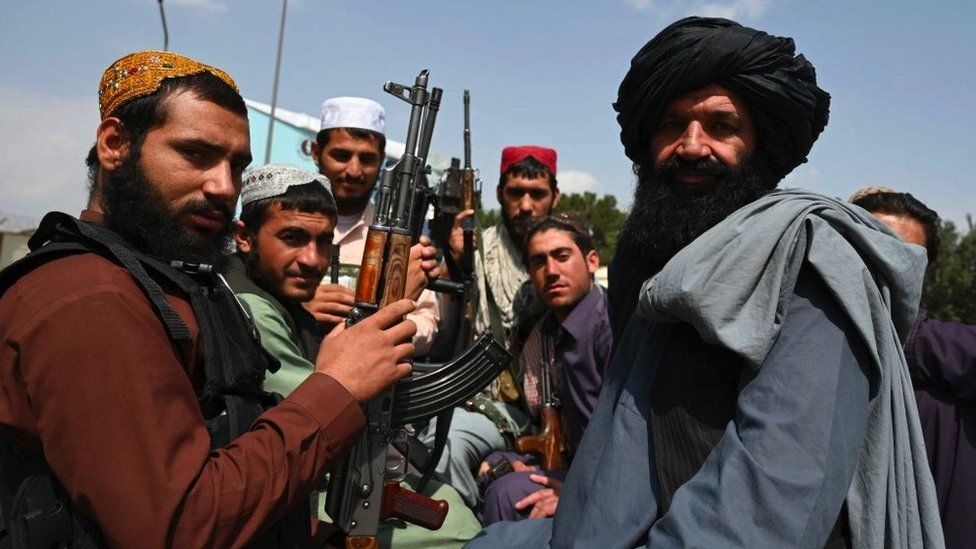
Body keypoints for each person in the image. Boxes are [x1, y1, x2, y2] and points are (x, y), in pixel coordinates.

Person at [470, 17, 943, 548]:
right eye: (672, 126)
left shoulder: (810, 265)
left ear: (758, 145)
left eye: (721, 127)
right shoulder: (647, 261)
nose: (692, 146)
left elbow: (762, 515)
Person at [0, 51, 416, 548]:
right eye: (195, 154)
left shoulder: (174, 281)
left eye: (236, 165)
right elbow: (179, 525)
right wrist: (335, 388)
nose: (223, 187)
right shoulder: (91, 299)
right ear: (115, 145)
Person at [223, 163, 482, 548]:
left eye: (324, 241)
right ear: (244, 237)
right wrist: (394, 301)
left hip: (311, 481)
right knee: (459, 530)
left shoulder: (275, 296)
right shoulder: (252, 307)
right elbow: (328, 404)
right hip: (298, 498)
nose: (312, 259)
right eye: (293, 238)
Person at [424, 146, 561, 508]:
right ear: (500, 194)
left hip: (553, 406)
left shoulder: (564, 258)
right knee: (445, 444)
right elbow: (441, 335)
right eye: (516, 193)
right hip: (484, 402)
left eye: (538, 194)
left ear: (555, 197)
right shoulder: (475, 249)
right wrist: (454, 263)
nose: (526, 205)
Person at [852, 188, 975, 549]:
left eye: (901, 259)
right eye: (865, 247)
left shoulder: (941, 399)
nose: (880, 269)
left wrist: (907, 341)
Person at [478, 215, 611, 525]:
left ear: (592, 261)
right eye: (539, 262)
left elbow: (631, 436)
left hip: (609, 480)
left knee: (508, 494)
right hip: (573, 464)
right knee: (492, 467)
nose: (551, 271)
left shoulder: (609, 328)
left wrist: (576, 490)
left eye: (562, 256)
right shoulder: (545, 335)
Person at [303, 96, 441, 355]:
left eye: (366, 159)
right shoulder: (286, 228)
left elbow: (426, 322)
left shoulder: (396, 241)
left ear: (381, 161)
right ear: (316, 152)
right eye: (341, 156)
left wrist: (383, 321)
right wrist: (298, 311)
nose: (354, 171)